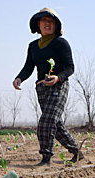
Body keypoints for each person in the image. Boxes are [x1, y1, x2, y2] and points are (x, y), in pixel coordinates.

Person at [13, 8, 83, 166]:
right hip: (42, 88)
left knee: (46, 121)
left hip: (58, 86)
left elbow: (70, 67)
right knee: (55, 124)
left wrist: (58, 77)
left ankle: (46, 158)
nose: (47, 24)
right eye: (44, 21)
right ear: (38, 24)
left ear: (56, 25)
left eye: (50, 21)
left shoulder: (61, 43)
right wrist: (19, 78)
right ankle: (77, 152)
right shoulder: (33, 46)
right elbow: (28, 67)